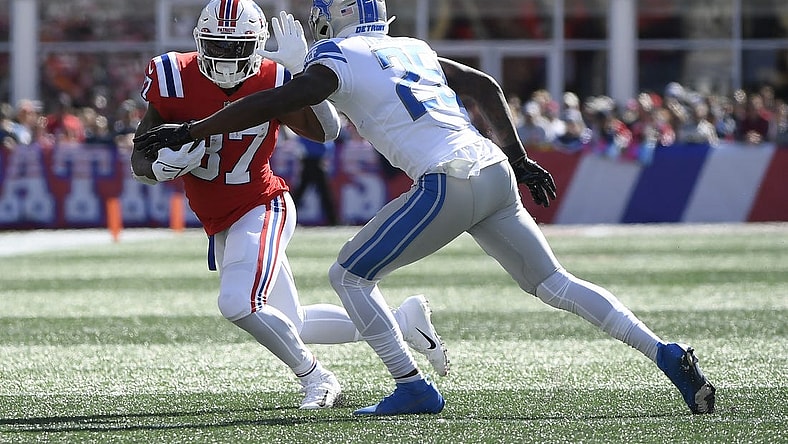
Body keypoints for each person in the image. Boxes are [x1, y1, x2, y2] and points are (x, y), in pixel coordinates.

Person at [134, 0, 716, 417]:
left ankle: (410, 383)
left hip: (445, 178)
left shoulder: (337, 55)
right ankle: (662, 351)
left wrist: (196, 125)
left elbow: (277, 104)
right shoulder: (413, 46)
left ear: (331, 16)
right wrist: (516, 157)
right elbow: (484, 85)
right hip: (489, 167)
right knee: (555, 282)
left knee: (348, 275)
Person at [130, 0, 448, 410]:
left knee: (238, 303)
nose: (227, 58)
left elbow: (327, 131)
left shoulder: (272, 76)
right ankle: (404, 323)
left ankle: (316, 377)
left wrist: (302, 75)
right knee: (290, 321)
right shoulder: (174, 75)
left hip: (261, 205)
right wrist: (156, 168)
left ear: (257, 44)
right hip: (220, 219)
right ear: (199, 41)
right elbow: (141, 153)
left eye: (237, 47)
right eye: (217, 46)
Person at [291, 134, 339, 225]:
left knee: (303, 192)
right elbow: (327, 146)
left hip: (313, 162)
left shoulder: (306, 131)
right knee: (322, 193)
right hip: (314, 163)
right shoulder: (317, 132)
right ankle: (332, 220)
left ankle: (332, 220)